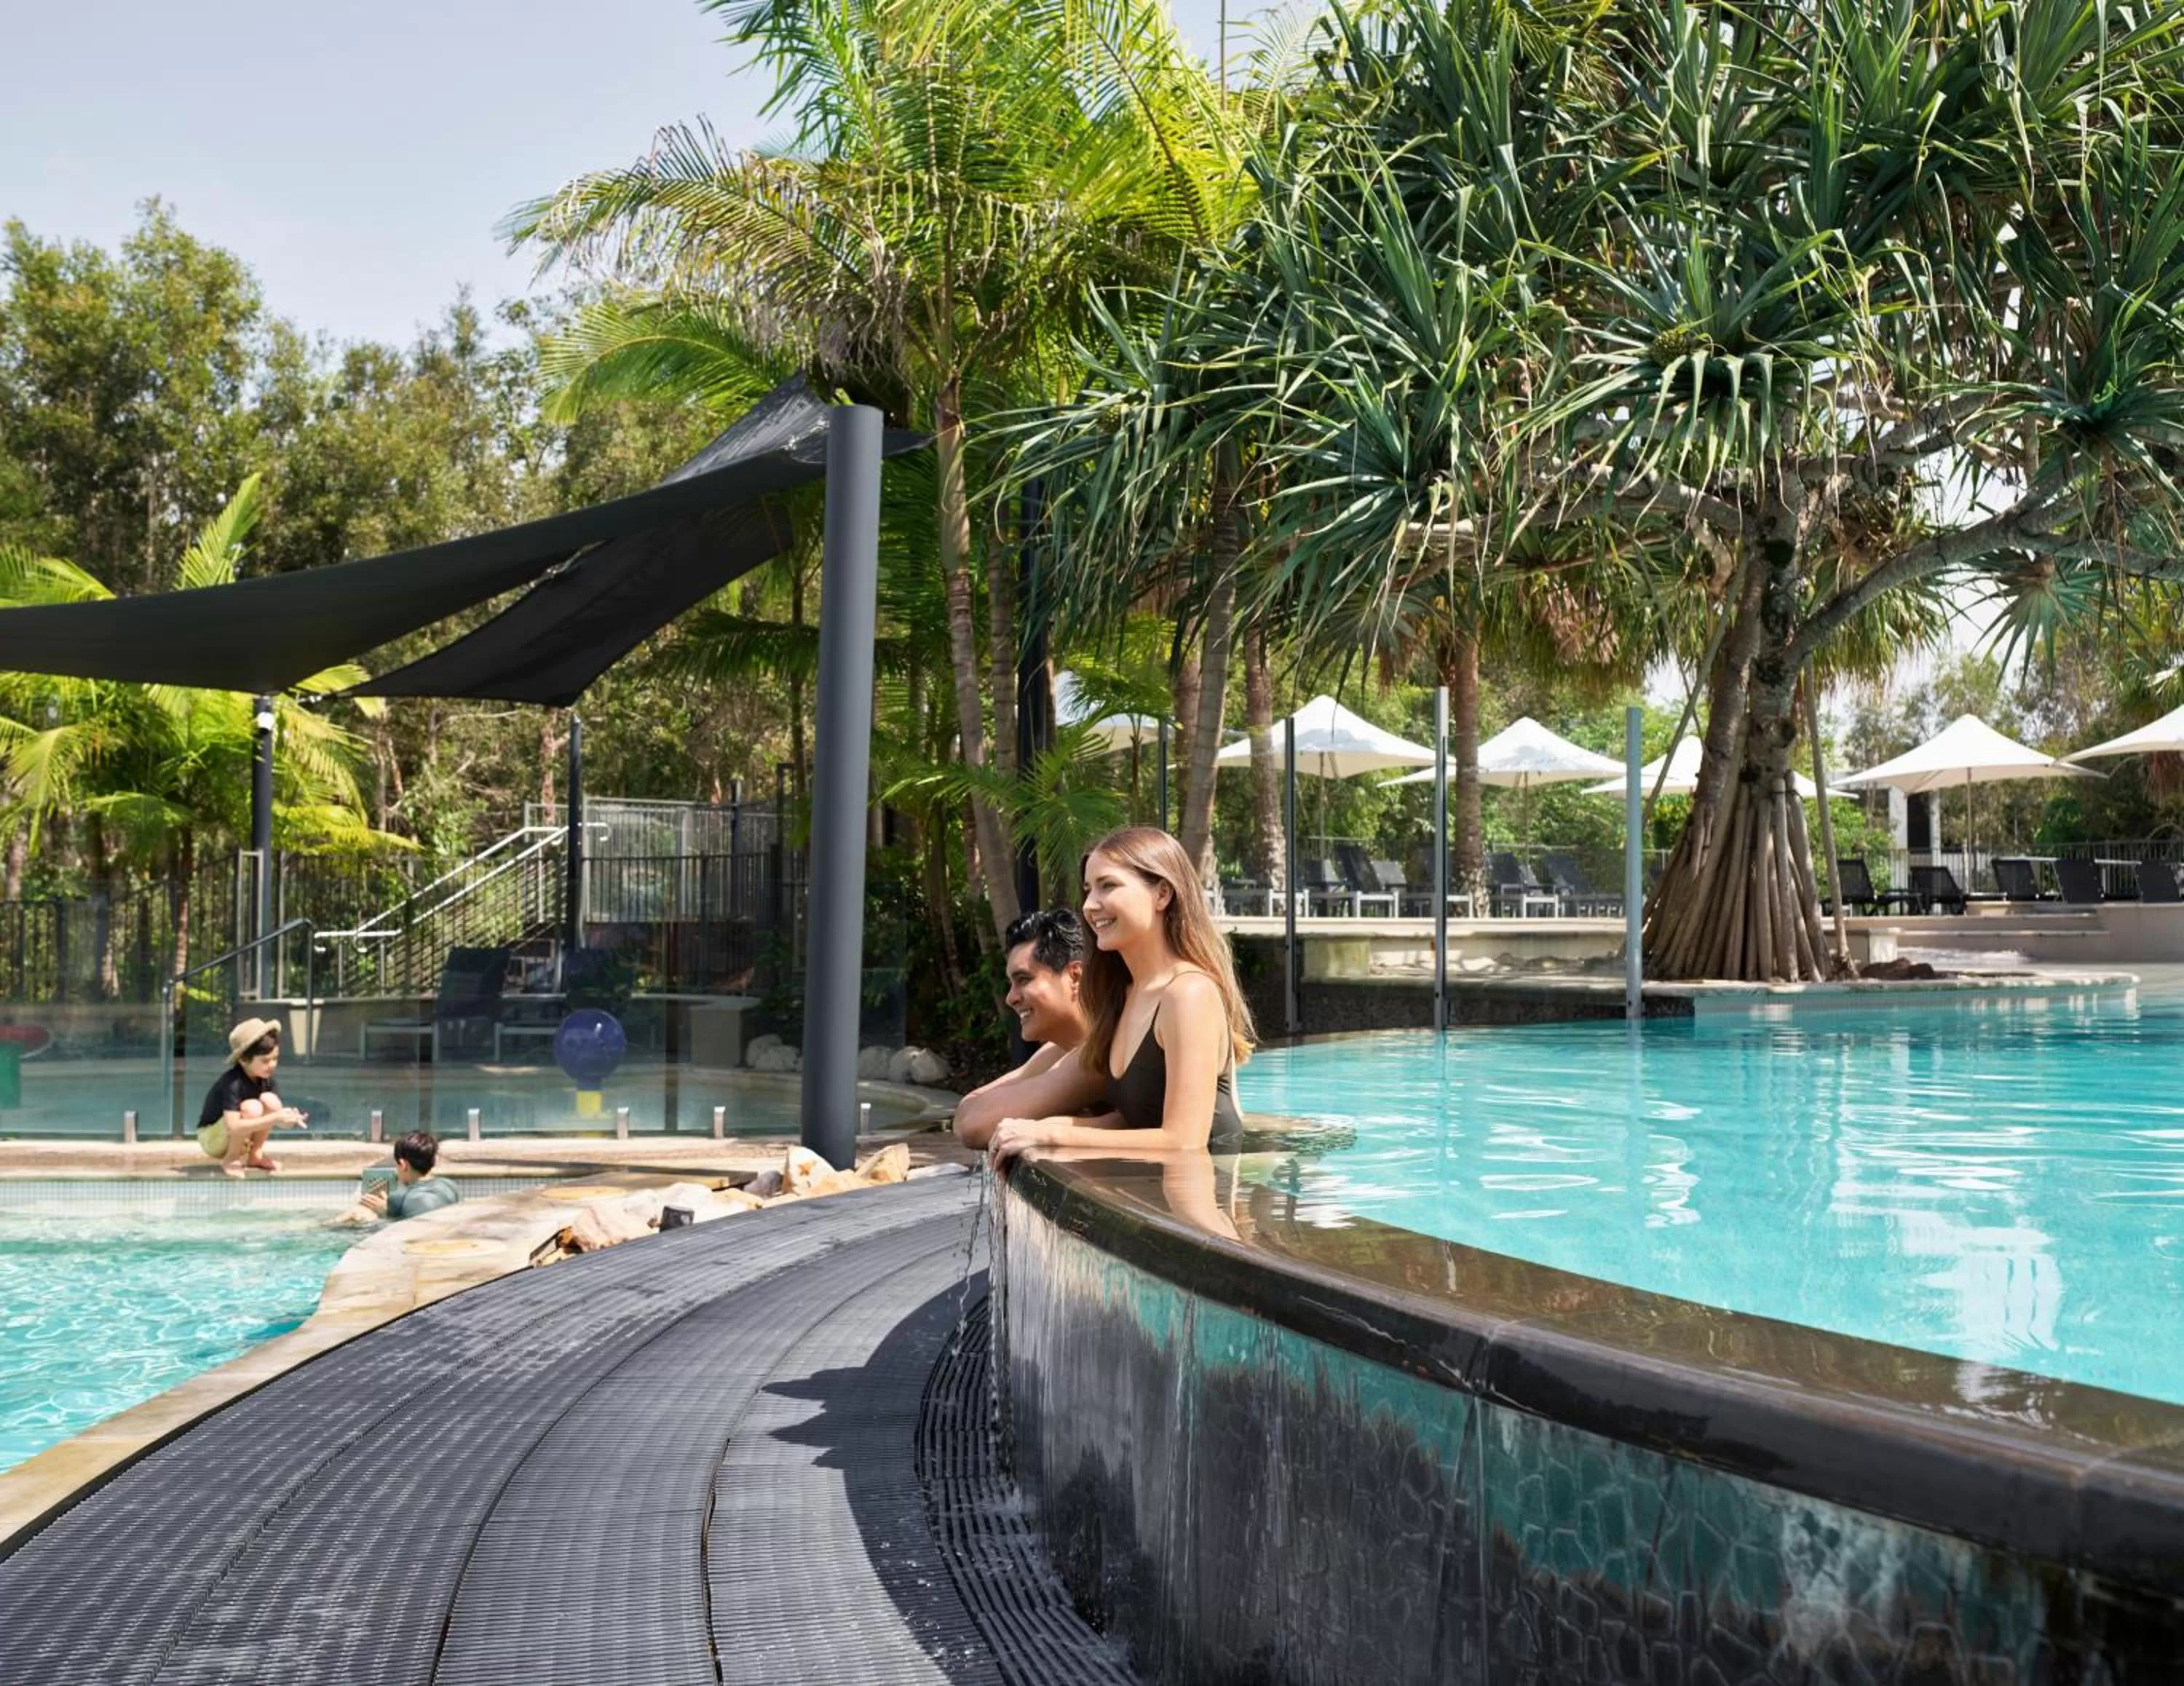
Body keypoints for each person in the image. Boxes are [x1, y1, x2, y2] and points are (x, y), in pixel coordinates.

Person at [985, 826, 1254, 1164]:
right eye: (1088, 889)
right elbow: (1136, 1121)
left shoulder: (1188, 993)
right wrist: (1038, 1128)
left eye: (1108, 885)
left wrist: (1050, 1136)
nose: (1089, 905)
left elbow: (1184, 1142)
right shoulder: (1123, 997)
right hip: (1146, 1191)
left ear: (1162, 894)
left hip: (1200, 1195)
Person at [953, 908, 1098, 1150]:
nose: (1010, 998)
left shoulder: (1101, 1051)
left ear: (1075, 976)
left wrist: (1054, 1124)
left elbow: (975, 1126)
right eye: (1011, 983)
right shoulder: (1059, 1051)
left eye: (1024, 980)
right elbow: (966, 1113)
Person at [198, 1018, 307, 1178]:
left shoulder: (267, 1080)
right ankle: (232, 1159)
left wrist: (290, 1119)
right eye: (265, 1060)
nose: (272, 1065)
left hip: (239, 1138)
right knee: (252, 1108)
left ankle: (256, 1155)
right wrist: (275, 1117)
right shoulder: (233, 1082)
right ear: (243, 1060)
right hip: (212, 1139)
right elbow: (233, 1126)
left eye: (275, 1058)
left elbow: (276, 1117)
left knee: (270, 1100)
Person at [357, 1131, 463, 1221]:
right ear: (435, 1160)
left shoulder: (401, 1199)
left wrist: (386, 1213)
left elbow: (397, 1232)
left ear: (403, 1165)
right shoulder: (450, 1186)